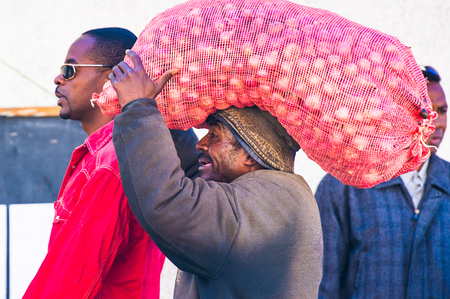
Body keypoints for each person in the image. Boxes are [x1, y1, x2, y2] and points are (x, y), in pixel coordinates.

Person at [109, 50, 323, 298]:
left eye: (215, 136)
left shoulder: (263, 204)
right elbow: (189, 173)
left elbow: (169, 200)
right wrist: (156, 107)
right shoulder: (276, 192)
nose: (201, 144)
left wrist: (139, 107)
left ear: (251, 155)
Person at [23, 28, 199, 298]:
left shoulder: (112, 161)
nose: (58, 78)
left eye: (70, 69)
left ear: (112, 78)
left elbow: (74, 280)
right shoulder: (108, 155)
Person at [315, 65, 449, 298]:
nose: (438, 123)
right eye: (428, 113)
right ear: (398, 114)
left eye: (443, 110)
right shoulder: (343, 186)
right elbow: (323, 284)